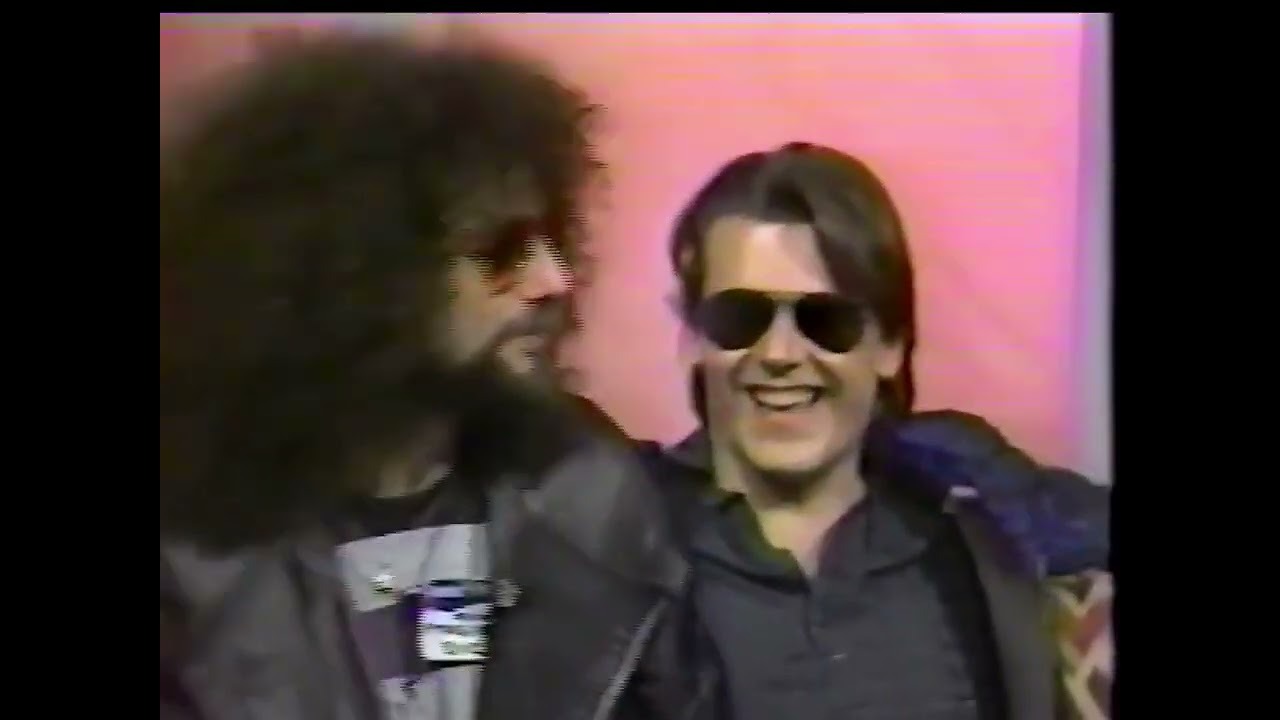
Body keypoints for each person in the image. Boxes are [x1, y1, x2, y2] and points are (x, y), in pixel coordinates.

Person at [159, 35, 722, 720]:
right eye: (501, 251)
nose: (553, 280)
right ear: (365, 274)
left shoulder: (593, 501)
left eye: (551, 238)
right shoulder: (195, 560)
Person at [641, 142, 1112, 719]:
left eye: (827, 321)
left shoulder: (970, 515)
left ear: (890, 346)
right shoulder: (619, 538)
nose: (780, 354)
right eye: (740, 318)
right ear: (693, 339)